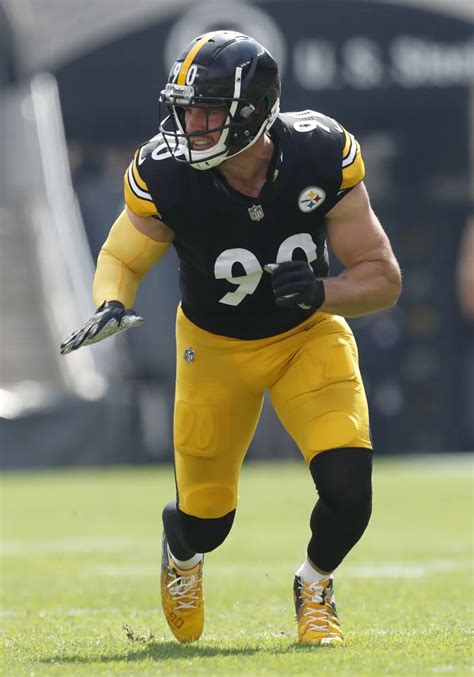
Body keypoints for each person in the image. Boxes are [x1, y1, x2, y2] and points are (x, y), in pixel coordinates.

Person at [61, 30, 402, 645]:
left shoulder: (319, 152)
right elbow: (122, 255)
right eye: (186, 109)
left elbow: (383, 279)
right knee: (207, 520)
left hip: (306, 336)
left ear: (251, 114)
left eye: (206, 111)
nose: (190, 125)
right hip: (214, 347)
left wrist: (322, 292)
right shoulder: (167, 172)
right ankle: (181, 554)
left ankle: (315, 585)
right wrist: (112, 300)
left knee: (350, 488)